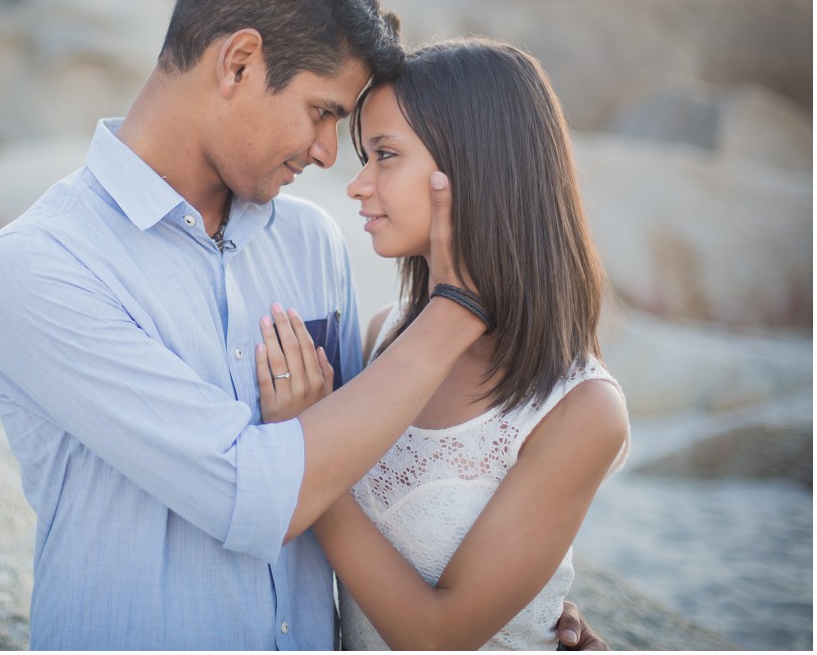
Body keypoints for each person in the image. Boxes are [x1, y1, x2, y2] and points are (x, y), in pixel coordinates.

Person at [0, 0, 602, 650]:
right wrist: (460, 305)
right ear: (239, 63)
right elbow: (252, 493)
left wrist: (521, 613)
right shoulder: (44, 264)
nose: (328, 152)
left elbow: (375, 472)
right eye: (322, 113)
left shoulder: (310, 243)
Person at [255, 37, 631, 649]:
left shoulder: (580, 408)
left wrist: (308, 456)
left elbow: (438, 637)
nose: (358, 185)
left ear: (473, 166)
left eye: (384, 155)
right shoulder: (382, 338)